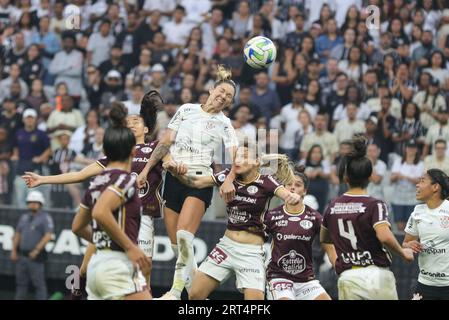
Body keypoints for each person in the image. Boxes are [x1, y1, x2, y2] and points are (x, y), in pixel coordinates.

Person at [22, 91, 168, 297]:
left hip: (142, 218)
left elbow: (169, 147)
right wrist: (43, 179)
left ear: (146, 128)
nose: (132, 123)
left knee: (143, 276)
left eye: (136, 121)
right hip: (112, 216)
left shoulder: (155, 149)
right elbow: (80, 174)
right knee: (83, 270)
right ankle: (76, 287)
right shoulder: (115, 157)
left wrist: (174, 164)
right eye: (128, 122)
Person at [137, 65, 239, 300]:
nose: (223, 97)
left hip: (198, 182)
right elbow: (165, 142)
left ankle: (174, 292)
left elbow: (236, 158)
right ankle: (196, 294)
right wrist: (146, 169)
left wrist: (227, 180)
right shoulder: (186, 110)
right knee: (177, 245)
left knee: (184, 236)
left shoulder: (225, 124)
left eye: (228, 97)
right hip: (172, 180)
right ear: (212, 89)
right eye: (221, 92)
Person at [169, 142, 302, 300]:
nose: (238, 160)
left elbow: (285, 194)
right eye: (237, 156)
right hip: (226, 246)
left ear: (256, 162)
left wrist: (292, 197)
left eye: (244, 156)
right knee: (195, 295)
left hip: (251, 253)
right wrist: (176, 173)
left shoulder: (266, 182)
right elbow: (196, 182)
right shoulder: (227, 177)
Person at [71, 102, 151, 300]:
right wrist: (130, 247)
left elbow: (77, 227)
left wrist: (102, 241)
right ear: (133, 151)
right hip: (118, 266)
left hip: (97, 266)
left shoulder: (97, 182)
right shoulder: (126, 179)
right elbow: (100, 212)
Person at [320, 135, 414, 300]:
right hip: (376, 275)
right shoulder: (375, 205)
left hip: (348, 276)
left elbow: (324, 240)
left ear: (346, 178)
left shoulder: (332, 206)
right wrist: (402, 252)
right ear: (370, 176)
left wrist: (335, 262)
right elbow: (384, 236)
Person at [263, 166, 336, 300]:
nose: (292, 188)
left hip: (306, 280)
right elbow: (257, 243)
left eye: (297, 185)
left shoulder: (316, 217)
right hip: (279, 278)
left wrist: (340, 268)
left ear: (305, 191)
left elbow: (329, 247)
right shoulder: (271, 216)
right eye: (289, 184)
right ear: (283, 188)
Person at [403, 169, 449, 300]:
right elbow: (405, 244)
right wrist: (409, 245)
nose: (417, 185)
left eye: (422, 181)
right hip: (425, 284)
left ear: (435, 187)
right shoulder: (417, 212)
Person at [11, 191, 53, 300]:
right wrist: (14, 251)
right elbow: (17, 234)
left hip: (35, 257)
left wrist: (36, 250)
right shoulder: (24, 217)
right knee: (21, 284)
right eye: (30, 202)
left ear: (40, 204)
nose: (32, 204)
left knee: (39, 285)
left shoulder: (45, 218)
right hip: (22, 256)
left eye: (35, 202)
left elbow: (48, 235)